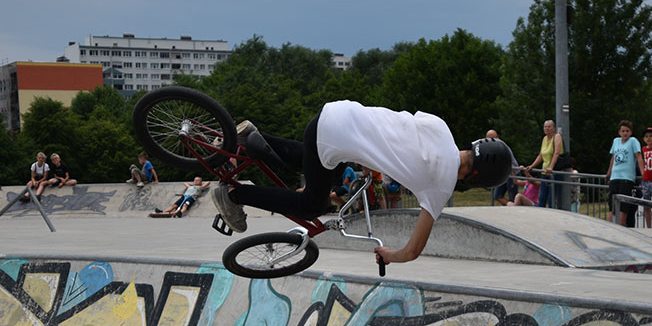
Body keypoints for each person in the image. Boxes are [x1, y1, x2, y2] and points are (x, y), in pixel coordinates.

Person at [211, 101, 512, 267]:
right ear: (479, 179)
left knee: (319, 159)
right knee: (313, 205)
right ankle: (235, 196)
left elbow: (397, 131)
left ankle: (246, 139)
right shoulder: (440, 186)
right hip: (334, 138)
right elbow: (412, 251)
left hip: (336, 112)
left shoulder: (440, 126)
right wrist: (389, 255)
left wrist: (371, 159)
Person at [605, 120, 642, 226]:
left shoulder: (633, 141)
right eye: (623, 131)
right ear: (619, 132)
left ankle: (620, 226)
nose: (625, 133)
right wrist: (609, 172)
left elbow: (639, 157)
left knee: (623, 206)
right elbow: (613, 158)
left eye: (627, 131)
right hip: (615, 176)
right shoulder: (616, 141)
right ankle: (609, 226)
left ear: (631, 132)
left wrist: (644, 173)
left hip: (626, 177)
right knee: (612, 205)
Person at [524, 120, 565, 208]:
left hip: (554, 173)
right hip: (544, 173)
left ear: (554, 128)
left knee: (551, 199)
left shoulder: (557, 136)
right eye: (545, 127)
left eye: (549, 126)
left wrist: (551, 167)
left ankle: (551, 215)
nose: (547, 128)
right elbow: (541, 155)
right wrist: (531, 166)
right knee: (542, 198)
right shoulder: (544, 139)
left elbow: (557, 153)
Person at [487, 129, 519, 206]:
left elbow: (507, 162)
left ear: (497, 137)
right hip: (503, 173)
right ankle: (512, 206)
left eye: (492, 138)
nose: (490, 140)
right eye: (488, 138)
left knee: (513, 197)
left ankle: (515, 208)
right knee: (497, 195)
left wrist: (514, 176)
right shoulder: (491, 146)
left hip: (512, 172)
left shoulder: (500, 146)